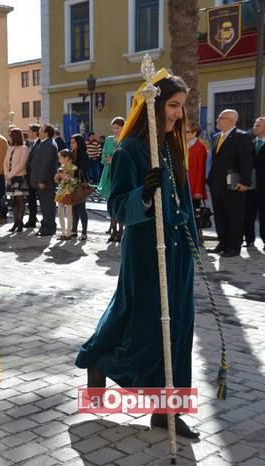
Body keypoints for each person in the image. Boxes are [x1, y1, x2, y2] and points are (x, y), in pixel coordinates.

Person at [75, 72, 200, 438]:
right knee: (142, 323)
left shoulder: (173, 147)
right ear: (156, 105)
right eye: (173, 105)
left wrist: (194, 244)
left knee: (179, 328)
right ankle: (98, 360)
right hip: (146, 251)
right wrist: (143, 196)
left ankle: (167, 412)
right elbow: (116, 207)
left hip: (179, 253)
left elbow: (184, 204)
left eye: (181, 106)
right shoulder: (131, 149)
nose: (178, 114)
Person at [207, 109, 252, 257]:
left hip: (234, 181)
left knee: (234, 215)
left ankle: (234, 246)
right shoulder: (216, 137)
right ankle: (223, 242)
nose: (217, 120)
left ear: (232, 121)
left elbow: (246, 161)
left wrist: (245, 182)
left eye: (221, 118)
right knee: (220, 214)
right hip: (217, 183)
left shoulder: (241, 137)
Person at [29, 124, 59, 236]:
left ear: (46, 133)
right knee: (44, 205)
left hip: (46, 182)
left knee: (48, 206)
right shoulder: (44, 143)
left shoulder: (49, 144)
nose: (39, 132)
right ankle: (45, 225)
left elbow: (46, 164)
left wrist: (41, 180)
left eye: (41, 131)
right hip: (40, 181)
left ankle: (49, 228)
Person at [99, 117, 125, 242]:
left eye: (117, 128)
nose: (115, 130)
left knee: (119, 203)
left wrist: (114, 159)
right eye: (113, 128)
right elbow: (103, 156)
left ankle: (121, 231)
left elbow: (125, 157)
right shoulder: (109, 140)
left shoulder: (126, 139)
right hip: (108, 172)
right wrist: (107, 159)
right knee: (110, 203)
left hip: (120, 173)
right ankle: (113, 231)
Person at [244, 116, 265, 247]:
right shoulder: (250, 143)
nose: (254, 128)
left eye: (258, 126)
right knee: (248, 213)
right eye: (254, 125)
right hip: (251, 185)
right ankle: (249, 239)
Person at [186, 122, 208, 242]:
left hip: (195, 186)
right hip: (184, 184)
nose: (184, 134)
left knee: (196, 212)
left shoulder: (200, 147)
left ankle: (197, 235)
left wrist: (199, 190)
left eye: (187, 132)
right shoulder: (183, 145)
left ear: (194, 133)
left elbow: (201, 170)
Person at [4, 127, 29, 232]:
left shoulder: (24, 148)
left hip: (19, 177)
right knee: (13, 201)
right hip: (10, 178)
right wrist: (7, 175)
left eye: (10, 136)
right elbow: (5, 162)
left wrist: (11, 174)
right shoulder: (10, 148)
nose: (9, 138)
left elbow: (22, 164)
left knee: (20, 200)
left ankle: (20, 222)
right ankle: (15, 222)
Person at [69, 133, 90, 241]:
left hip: (81, 184)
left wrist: (73, 168)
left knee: (81, 208)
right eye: (71, 142)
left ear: (79, 143)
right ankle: (74, 230)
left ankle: (84, 232)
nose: (71, 144)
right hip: (72, 184)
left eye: (73, 142)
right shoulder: (72, 153)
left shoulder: (84, 154)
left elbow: (84, 169)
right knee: (74, 208)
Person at [54, 149, 77, 240]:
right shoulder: (61, 167)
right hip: (61, 191)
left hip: (69, 191)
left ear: (67, 158)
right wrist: (57, 177)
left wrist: (66, 177)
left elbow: (73, 181)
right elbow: (57, 180)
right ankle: (63, 232)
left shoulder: (73, 167)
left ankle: (68, 233)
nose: (59, 159)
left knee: (68, 213)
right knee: (60, 212)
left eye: (60, 157)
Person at [23, 124, 41, 228]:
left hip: (36, 176)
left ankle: (35, 218)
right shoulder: (31, 143)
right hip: (30, 176)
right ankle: (32, 218)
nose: (28, 133)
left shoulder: (39, 143)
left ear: (35, 132)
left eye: (29, 131)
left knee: (38, 199)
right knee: (31, 199)